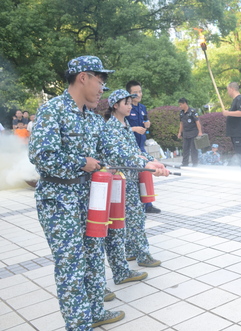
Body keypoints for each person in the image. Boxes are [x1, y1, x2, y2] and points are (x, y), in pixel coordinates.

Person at [28, 55, 168, 330]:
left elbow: (115, 150)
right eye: (100, 80)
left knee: (92, 256)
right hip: (59, 200)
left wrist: (146, 163)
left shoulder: (92, 120)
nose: (102, 87)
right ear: (83, 77)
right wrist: (81, 162)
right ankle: (78, 324)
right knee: (71, 265)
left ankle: (94, 312)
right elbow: (40, 155)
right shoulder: (53, 110)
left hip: (89, 198)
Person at [105, 89, 165, 269]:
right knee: (136, 218)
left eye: (131, 103)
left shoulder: (124, 126)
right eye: (127, 103)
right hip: (120, 180)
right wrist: (147, 166)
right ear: (115, 106)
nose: (131, 106)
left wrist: (151, 160)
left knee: (131, 217)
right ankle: (143, 255)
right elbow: (119, 156)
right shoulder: (111, 128)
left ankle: (131, 250)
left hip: (131, 179)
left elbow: (135, 151)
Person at [125, 80, 160, 214]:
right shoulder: (126, 108)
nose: (138, 95)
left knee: (146, 172)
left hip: (141, 145)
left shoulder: (142, 107)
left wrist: (147, 124)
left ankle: (148, 204)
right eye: (135, 93)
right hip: (130, 146)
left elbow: (145, 121)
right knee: (133, 176)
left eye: (140, 92)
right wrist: (133, 128)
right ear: (129, 94)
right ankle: (134, 205)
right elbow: (122, 126)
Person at [222, 82, 241, 166]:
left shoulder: (240, 99)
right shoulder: (235, 100)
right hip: (235, 132)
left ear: (232, 89)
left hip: (238, 132)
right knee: (238, 153)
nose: (228, 92)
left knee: (240, 153)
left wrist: (228, 113)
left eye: (228, 90)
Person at [177, 97, 202, 167]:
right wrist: (179, 132)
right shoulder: (181, 113)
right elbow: (181, 123)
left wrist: (200, 132)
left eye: (181, 104)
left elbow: (197, 121)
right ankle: (185, 163)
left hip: (193, 132)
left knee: (193, 149)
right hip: (185, 133)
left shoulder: (192, 111)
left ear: (185, 104)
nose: (180, 106)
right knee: (185, 148)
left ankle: (195, 163)